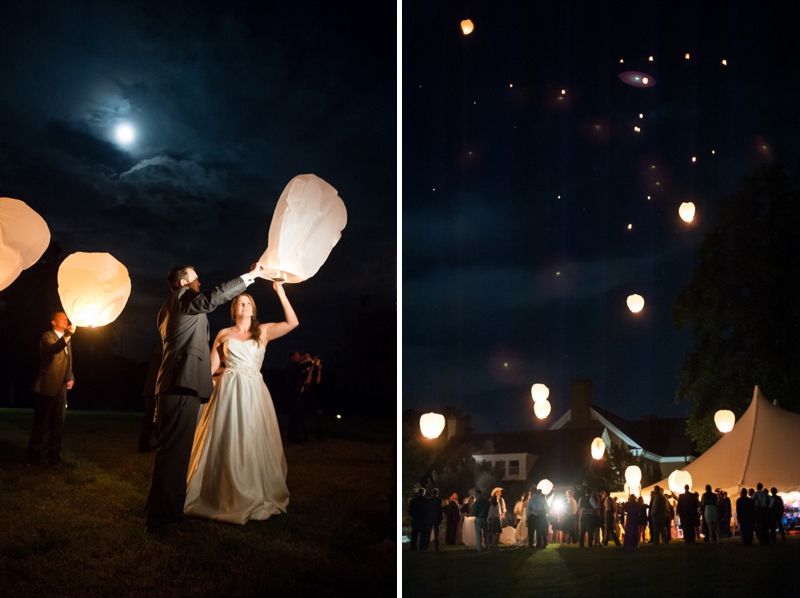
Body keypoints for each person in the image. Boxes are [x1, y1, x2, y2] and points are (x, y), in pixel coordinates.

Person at [144, 263, 264, 533]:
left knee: (179, 454)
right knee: (172, 455)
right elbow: (214, 296)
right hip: (179, 385)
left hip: (180, 385)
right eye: (196, 279)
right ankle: (159, 520)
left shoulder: (171, 306)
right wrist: (250, 276)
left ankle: (172, 512)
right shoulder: (183, 298)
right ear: (184, 283)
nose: (200, 283)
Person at [184, 285, 297, 524]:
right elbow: (212, 368)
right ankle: (221, 491)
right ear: (234, 310)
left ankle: (251, 488)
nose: (243, 305)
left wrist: (281, 293)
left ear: (253, 310)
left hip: (253, 391)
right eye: (239, 303)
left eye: (247, 303)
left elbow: (292, 322)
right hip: (228, 391)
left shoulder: (263, 332)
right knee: (227, 436)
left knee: (250, 435)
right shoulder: (224, 333)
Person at [27, 311, 75, 466]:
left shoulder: (67, 339)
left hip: (61, 387)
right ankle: (33, 458)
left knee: (58, 424)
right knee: (41, 423)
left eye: (66, 318)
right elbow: (54, 350)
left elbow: (67, 360)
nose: (65, 319)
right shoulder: (47, 336)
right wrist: (67, 336)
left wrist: (71, 376)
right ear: (53, 322)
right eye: (61, 318)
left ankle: (54, 457)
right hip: (47, 385)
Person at [138, 342, 162, 453]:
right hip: (154, 389)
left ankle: (159, 443)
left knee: (157, 419)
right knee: (151, 418)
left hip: (153, 389)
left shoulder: (157, 348)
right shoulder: (159, 349)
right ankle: (143, 445)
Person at [286, 351, 312, 443]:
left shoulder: (296, 368)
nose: (299, 357)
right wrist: (311, 362)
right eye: (297, 356)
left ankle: (294, 436)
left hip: (296, 395)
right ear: (292, 358)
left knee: (296, 416)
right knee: (295, 416)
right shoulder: (292, 367)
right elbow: (300, 368)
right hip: (294, 396)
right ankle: (295, 437)